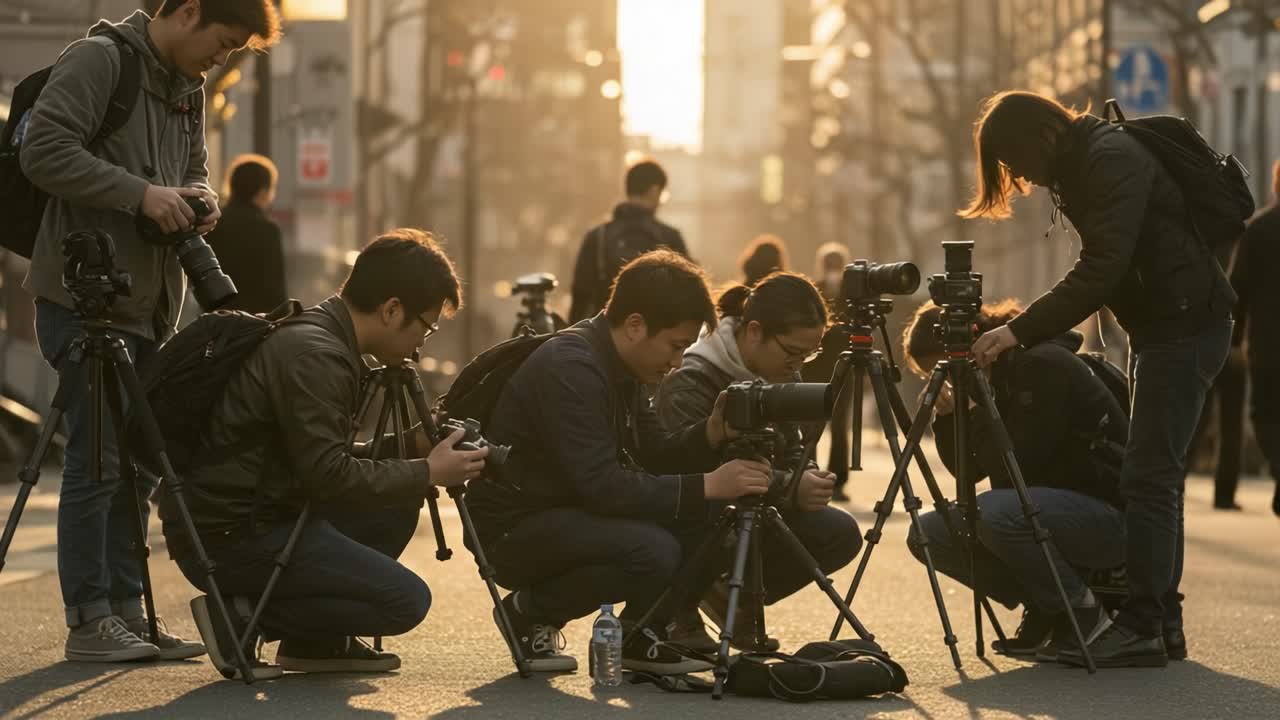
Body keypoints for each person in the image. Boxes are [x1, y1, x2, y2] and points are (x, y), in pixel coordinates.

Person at [19, 0, 281, 663]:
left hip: (150, 300)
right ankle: (89, 620)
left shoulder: (187, 88)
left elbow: (189, 169)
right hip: (85, 294)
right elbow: (44, 150)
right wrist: (140, 194)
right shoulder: (99, 60)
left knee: (135, 462)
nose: (221, 61)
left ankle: (131, 613)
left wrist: (199, 195)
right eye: (221, 44)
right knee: (98, 459)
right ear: (188, 10)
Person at [963, 91, 1234, 667]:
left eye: (1014, 164)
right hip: (1166, 324)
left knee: (1149, 477)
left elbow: (1102, 267)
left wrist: (1020, 330)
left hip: (1184, 325)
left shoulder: (1108, 158)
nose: (1023, 180)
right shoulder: (1084, 160)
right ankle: (1162, 622)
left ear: (1043, 136)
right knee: (1155, 476)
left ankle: (1142, 624)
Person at [163, 229, 486, 680]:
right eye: (426, 327)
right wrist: (428, 470)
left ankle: (314, 642)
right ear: (392, 310)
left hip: (257, 512)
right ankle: (241, 616)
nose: (421, 345)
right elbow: (327, 475)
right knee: (406, 601)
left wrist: (410, 447)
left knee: (393, 508)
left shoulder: (324, 338)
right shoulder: (317, 355)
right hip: (230, 536)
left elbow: (314, 455)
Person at [466, 250, 773, 675]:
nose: (677, 361)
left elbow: (655, 454)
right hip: (512, 527)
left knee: (708, 512)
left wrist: (711, 434)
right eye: (675, 345)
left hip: (564, 511)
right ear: (635, 326)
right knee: (653, 549)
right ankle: (529, 610)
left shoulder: (620, 366)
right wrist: (708, 484)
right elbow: (603, 486)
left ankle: (638, 634)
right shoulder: (572, 367)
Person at [902, 301, 1126, 661]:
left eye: (943, 373)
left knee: (995, 512)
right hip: (1045, 515)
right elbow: (968, 473)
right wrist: (946, 418)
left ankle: (1082, 610)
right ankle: (1046, 605)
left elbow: (1014, 467)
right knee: (928, 533)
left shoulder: (1039, 365)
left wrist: (973, 414)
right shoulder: (993, 377)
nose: (944, 382)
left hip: (1104, 518)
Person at [655, 272, 862, 652]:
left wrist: (808, 476)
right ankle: (678, 607)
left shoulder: (779, 371)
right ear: (754, 331)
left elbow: (793, 446)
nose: (799, 364)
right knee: (711, 512)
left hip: (761, 502)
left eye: (809, 354)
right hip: (700, 509)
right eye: (792, 352)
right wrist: (788, 485)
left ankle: (731, 596)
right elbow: (692, 472)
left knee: (840, 532)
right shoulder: (692, 379)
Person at [568, 160, 691, 322]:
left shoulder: (597, 236)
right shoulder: (669, 237)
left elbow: (580, 296)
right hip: (655, 338)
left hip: (603, 336)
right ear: (655, 191)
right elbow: (689, 294)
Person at [1231, 159, 1280, 517]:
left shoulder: (1258, 230)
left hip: (1267, 344)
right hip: (1266, 342)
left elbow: (1237, 291)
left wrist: (1231, 341)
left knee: (1264, 415)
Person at [206, 153, 288, 314]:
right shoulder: (268, 230)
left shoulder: (213, 222)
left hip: (216, 318)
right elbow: (276, 288)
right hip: (255, 322)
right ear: (263, 191)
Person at [804, 242, 854, 500]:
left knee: (813, 423)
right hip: (840, 365)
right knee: (837, 425)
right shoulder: (850, 292)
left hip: (817, 367)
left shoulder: (815, 288)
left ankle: (809, 472)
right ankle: (836, 481)